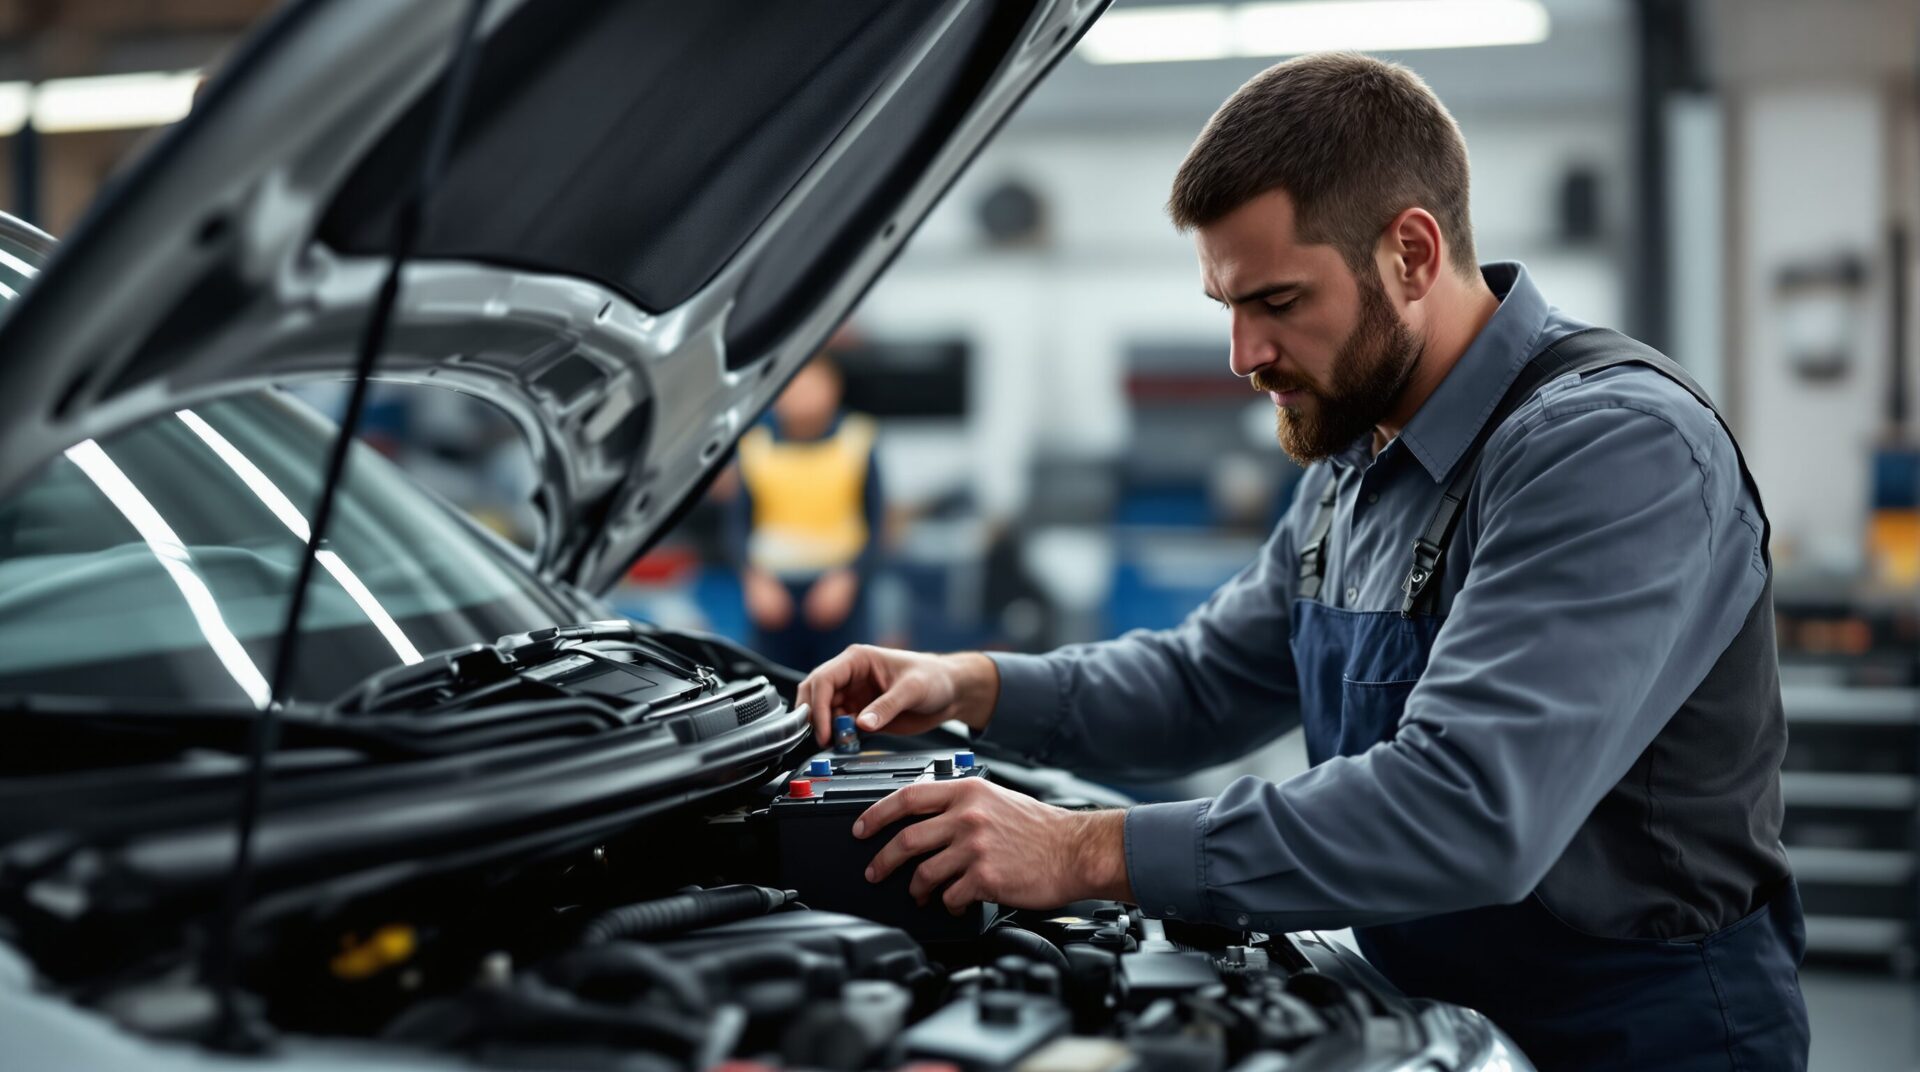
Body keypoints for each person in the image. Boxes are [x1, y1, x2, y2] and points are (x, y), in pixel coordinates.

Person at [798, 52, 1807, 1071]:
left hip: (1637, 1033)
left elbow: (1467, 807)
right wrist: (969, 684)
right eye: (1225, 306)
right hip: (1429, 1007)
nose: (1242, 354)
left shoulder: (1609, 448)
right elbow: (1202, 683)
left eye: (1276, 300)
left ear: (1412, 252)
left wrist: (1080, 850)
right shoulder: (1361, 451)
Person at [731, 351, 884, 673]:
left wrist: (850, 576)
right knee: (775, 686)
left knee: (846, 685)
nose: (801, 396)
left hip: (839, 593)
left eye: (812, 386)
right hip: (774, 595)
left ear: (833, 389)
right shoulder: (755, 444)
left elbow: (877, 521)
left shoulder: (857, 439)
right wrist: (754, 579)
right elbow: (737, 522)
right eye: (793, 387)